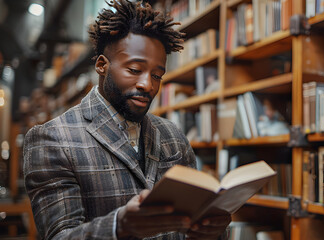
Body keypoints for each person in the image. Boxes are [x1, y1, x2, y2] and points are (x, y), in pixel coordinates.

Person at [23, 1, 231, 239]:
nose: (148, 85)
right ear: (102, 65)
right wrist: (117, 227)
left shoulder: (173, 136)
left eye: (157, 75)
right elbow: (59, 236)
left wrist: (214, 231)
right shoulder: (52, 139)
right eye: (134, 70)